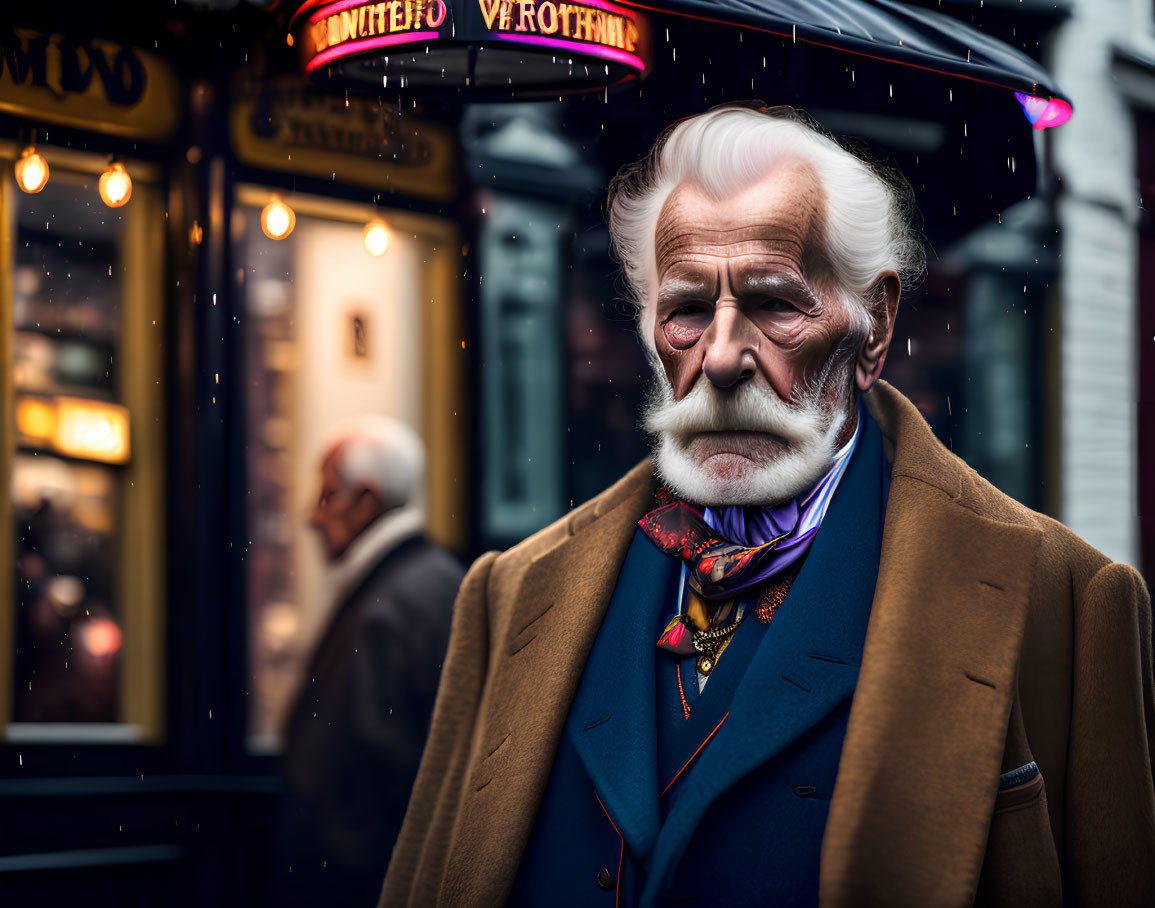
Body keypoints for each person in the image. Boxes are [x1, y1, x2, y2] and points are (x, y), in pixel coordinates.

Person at [380, 104, 1155, 906]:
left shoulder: (1065, 602)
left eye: (775, 304)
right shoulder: (509, 595)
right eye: (685, 310)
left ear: (875, 326)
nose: (719, 357)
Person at [275, 416, 463, 907]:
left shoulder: (385, 609)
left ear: (365, 500)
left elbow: (349, 789)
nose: (313, 515)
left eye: (327, 493)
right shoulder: (439, 583)